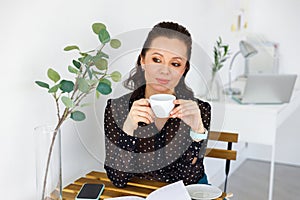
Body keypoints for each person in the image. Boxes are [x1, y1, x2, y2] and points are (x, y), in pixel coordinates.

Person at [104, 21, 211, 188]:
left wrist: (198, 131)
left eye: (175, 64)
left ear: (183, 70)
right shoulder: (117, 109)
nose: (164, 71)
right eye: (156, 59)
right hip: (139, 194)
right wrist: (128, 128)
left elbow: (191, 179)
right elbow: (118, 179)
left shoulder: (199, 110)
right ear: (143, 60)